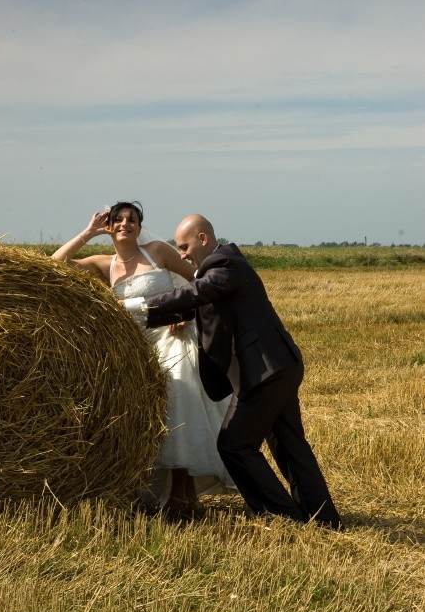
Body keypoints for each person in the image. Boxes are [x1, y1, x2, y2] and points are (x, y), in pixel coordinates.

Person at [123, 213, 344, 530]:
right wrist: (134, 319)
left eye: (184, 247)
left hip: (264, 373)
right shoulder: (219, 273)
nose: (181, 254)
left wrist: (135, 306)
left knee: (233, 444)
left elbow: (194, 294)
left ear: (202, 239)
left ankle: (281, 517)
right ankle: (323, 519)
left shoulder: (225, 264)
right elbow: (192, 304)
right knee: (290, 446)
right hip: (279, 366)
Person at [52, 202, 235, 519]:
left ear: (140, 226)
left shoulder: (157, 251)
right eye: (118, 219)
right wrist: (89, 231)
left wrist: (187, 312)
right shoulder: (102, 263)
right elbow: (55, 264)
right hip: (138, 349)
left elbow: (200, 281)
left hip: (173, 335)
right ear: (109, 226)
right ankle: (182, 497)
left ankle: (181, 495)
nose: (126, 223)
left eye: (132, 219)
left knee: (179, 398)